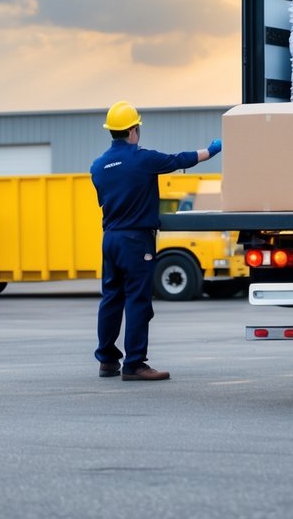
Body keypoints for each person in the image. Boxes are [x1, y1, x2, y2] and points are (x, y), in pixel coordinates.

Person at [90, 100, 221, 382]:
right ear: (133, 129)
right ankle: (135, 364)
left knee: (111, 299)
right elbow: (178, 160)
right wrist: (210, 151)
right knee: (138, 301)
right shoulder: (142, 159)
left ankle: (107, 360)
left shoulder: (98, 166)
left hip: (110, 239)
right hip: (136, 241)